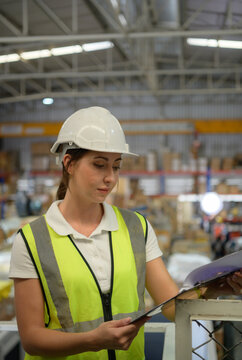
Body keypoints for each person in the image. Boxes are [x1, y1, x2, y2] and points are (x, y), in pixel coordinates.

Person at [9, 106, 242, 360]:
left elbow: (172, 306)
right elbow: (32, 338)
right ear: (69, 164)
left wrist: (216, 288)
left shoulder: (136, 228)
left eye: (116, 166)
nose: (110, 178)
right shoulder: (32, 241)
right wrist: (92, 341)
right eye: (99, 165)